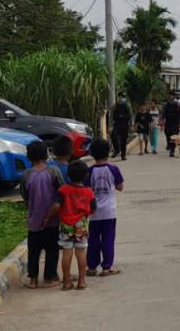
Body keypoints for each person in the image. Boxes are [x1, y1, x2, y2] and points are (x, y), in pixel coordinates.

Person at [20, 140, 63, 289]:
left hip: (34, 221)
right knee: (52, 250)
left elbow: (24, 195)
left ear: (29, 156)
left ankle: (33, 280)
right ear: (46, 155)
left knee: (34, 251)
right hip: (52, 220)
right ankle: (50, 277)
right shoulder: (53, 172)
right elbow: (61, 192)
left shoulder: (26, 175)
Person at [53, 160, 96, 291]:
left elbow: (57, 205)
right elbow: (93, 208)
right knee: (81, 252)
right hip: (81, 224)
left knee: (67, 252)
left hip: (66, 224)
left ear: (68, 175)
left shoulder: (63, 190)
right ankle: (82, 282)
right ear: (86, 175)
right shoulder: (89, 191)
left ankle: (66, 282)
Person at [85, 139, 124, 277]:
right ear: (108, 152)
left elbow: (86, 189)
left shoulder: (89, 171)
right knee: (108, 238)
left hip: (94, 212)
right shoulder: (113, 169)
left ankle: (91, 266)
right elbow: (120, 187)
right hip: (109, 211)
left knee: (93, 240)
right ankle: (107, 267)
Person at [111, 94, 132, 161]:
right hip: (117, 123)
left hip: (125, 124)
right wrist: (110, 126)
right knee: (113, 136)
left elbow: (130, 115)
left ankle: (123, 155)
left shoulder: (127, 105)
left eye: (122, 97)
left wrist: (131, 125)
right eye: (119, 97)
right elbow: (111, 116)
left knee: (123, 140)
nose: (120, 98)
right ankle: (116, 150)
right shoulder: (114, 106)